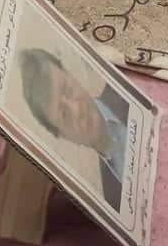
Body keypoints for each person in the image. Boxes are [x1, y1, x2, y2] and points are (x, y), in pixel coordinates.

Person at [19, 48, 129, 211]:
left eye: (68, 89)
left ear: (72, 76)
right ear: (61, 135)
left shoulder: (126, 86)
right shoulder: (111, 200)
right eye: (64, 114)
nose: (77, 110)